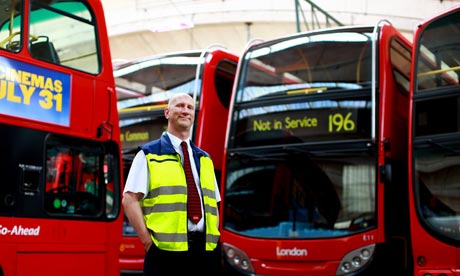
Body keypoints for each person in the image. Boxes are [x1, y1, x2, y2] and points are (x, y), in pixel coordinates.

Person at [122, 93, 221, 275]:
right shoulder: (148, 154)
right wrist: (148, 243)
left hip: (205, 252)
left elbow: (214, 204)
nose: (185, 110)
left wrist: (213, 239)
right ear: (167, 113)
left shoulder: (205, 159)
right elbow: (129, 199)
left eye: (190, 107)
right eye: (180, 106)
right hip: (164, 254)